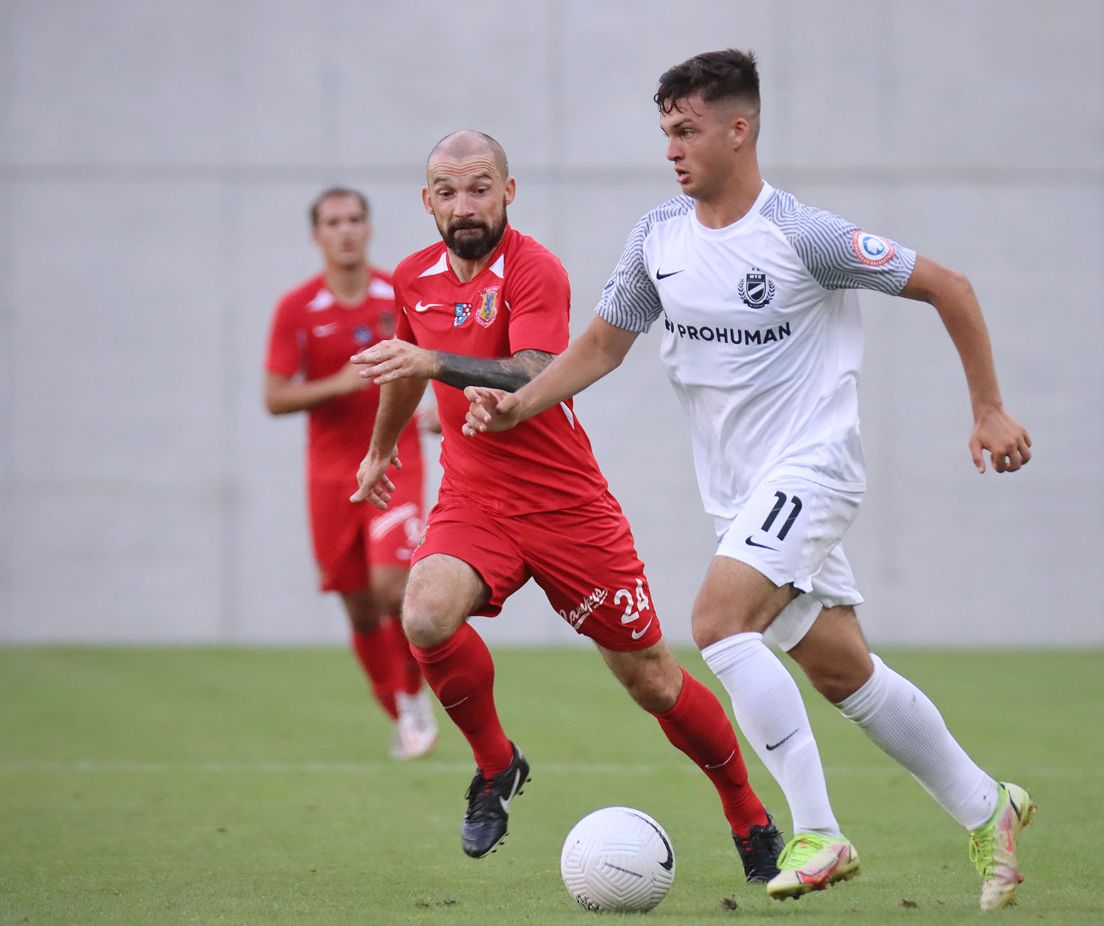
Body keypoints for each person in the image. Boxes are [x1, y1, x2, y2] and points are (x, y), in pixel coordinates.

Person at [463, 50, 1037, 911]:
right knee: (842, 671)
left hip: (815, 469)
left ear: (740, 130)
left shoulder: (804, 236)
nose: (671, 149)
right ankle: (987, 804)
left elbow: (948, 286)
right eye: (665, 132)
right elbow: (602, 346)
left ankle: (818, 832)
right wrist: (519, 405)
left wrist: (988, 408)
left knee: (717, 622)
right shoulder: (659, 238)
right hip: (739, 496)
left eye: (687, 130)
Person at [347, 130, 782, 882]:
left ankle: (748, 815)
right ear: (427, 202)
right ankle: (497, 766)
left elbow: (532, 370)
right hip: (475, 500)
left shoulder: (534, 268)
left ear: (508, 192)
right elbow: (407, 370)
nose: (464, 204)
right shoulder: (414, 277)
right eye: (447, 192)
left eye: (480, 187)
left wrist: (435, 361)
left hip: (566, 509)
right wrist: (382, 448)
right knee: (423, 616)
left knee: (651, 679)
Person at [263, 187, 439, 760]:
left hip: (396, 461)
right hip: (330, 476)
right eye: (334, 222)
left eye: (355, 219)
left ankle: (414, 696)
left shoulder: (399, 294)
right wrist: (336, 385)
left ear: (369, 229)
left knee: (394, 588)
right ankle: (398, 710)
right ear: (317, 235)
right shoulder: (297, 308)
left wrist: (446, 409)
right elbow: (274, 397)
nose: (346, 230)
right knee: (360, 605)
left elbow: (437, 359)